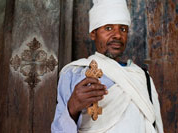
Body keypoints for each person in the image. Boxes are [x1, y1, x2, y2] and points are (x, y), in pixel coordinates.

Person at [51, 0, 163, 132]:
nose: (117, 35)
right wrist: (72, 108)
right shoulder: (74, 73)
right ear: (93, 33)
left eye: (123, 29)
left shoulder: (141, 77)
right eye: (108, 28)